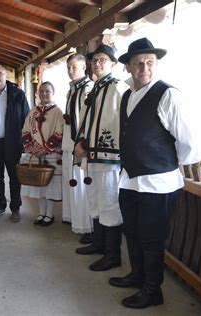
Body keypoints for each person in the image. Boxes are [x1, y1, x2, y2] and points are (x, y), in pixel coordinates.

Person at [109, 38, 198, 309]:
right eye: (138, 63)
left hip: (158, 183)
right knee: (132, 231)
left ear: (156, 64)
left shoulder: (168, 94)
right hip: (130, 180)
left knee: (151, 238)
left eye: (149, 63)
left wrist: (167, 164)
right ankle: (137, 276)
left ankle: (152, 290)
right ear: (128, 67)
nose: (144, 68)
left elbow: (187, 142)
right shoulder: (126, 95)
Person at [74, 45, 128, 271]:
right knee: (95, 198)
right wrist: (81, 141)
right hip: (92, 155)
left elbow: (121, 122)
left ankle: (112, 254)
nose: (97, 63)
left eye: (103, 60)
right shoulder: (96, 87)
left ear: (113, 64)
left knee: (108, 202)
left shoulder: (117, 88)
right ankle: (98, 243)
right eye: (95, 60)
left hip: (108, 157)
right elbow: (88, 119)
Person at [0, 65, 30, 222]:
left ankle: (15, 207)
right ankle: (0, 205)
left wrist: (25, 142)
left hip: (13, 142)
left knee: (15, 177)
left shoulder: (18, 94)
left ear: (6, 75)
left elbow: (26, 119)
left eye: (0, 74)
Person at [21, 82, 64, 226]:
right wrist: (32, 147)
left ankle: (50, 215)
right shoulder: (32, 112)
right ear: (38, 93)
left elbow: (60, 131)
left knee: (50, 185)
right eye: (42, 91)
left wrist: (46, 148)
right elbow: (25, 130)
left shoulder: (58, 112)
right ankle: (41, 213)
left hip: (51, 153)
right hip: (35, 153)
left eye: (48, 91)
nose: (44, 94)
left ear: (53, 92)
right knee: (38, 184)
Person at [62, 53, 94, 243]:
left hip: (79, 144)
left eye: (74, 67)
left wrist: (81, 142)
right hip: (68, 143)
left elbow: (86, 119)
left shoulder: (87, 88)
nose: (70, 70)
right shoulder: (72, 89)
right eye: (68, 67)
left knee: (82, 186)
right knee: (72, 184)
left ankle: (87, 226)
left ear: (84, 67)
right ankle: (75, 220)